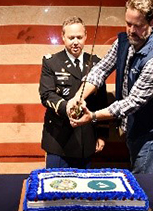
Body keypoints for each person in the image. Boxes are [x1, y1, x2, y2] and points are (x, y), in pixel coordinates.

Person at [67, 0, 153, 174]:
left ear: (152, 22)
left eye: (138, 25)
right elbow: (101, 69)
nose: (131, 30)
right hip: (131, 125)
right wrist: (78, 97)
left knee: (141, 179)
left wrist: (92, 116)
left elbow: (132, 102)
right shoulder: (124, 41)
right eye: (128, 23)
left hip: (150, 131)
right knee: (143, 174)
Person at [39, 16, 108, 169]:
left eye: (79, 37)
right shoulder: (51, 62)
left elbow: (102, 102)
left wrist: (102, 135)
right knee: (55, 189)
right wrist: (67, 107)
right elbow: (46, 94)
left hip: (86, 139)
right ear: (63, 37)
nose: (75, 42)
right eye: (71, 37)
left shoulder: (97, 63)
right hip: (58, 140)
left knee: (83, 190)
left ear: (85, 37)